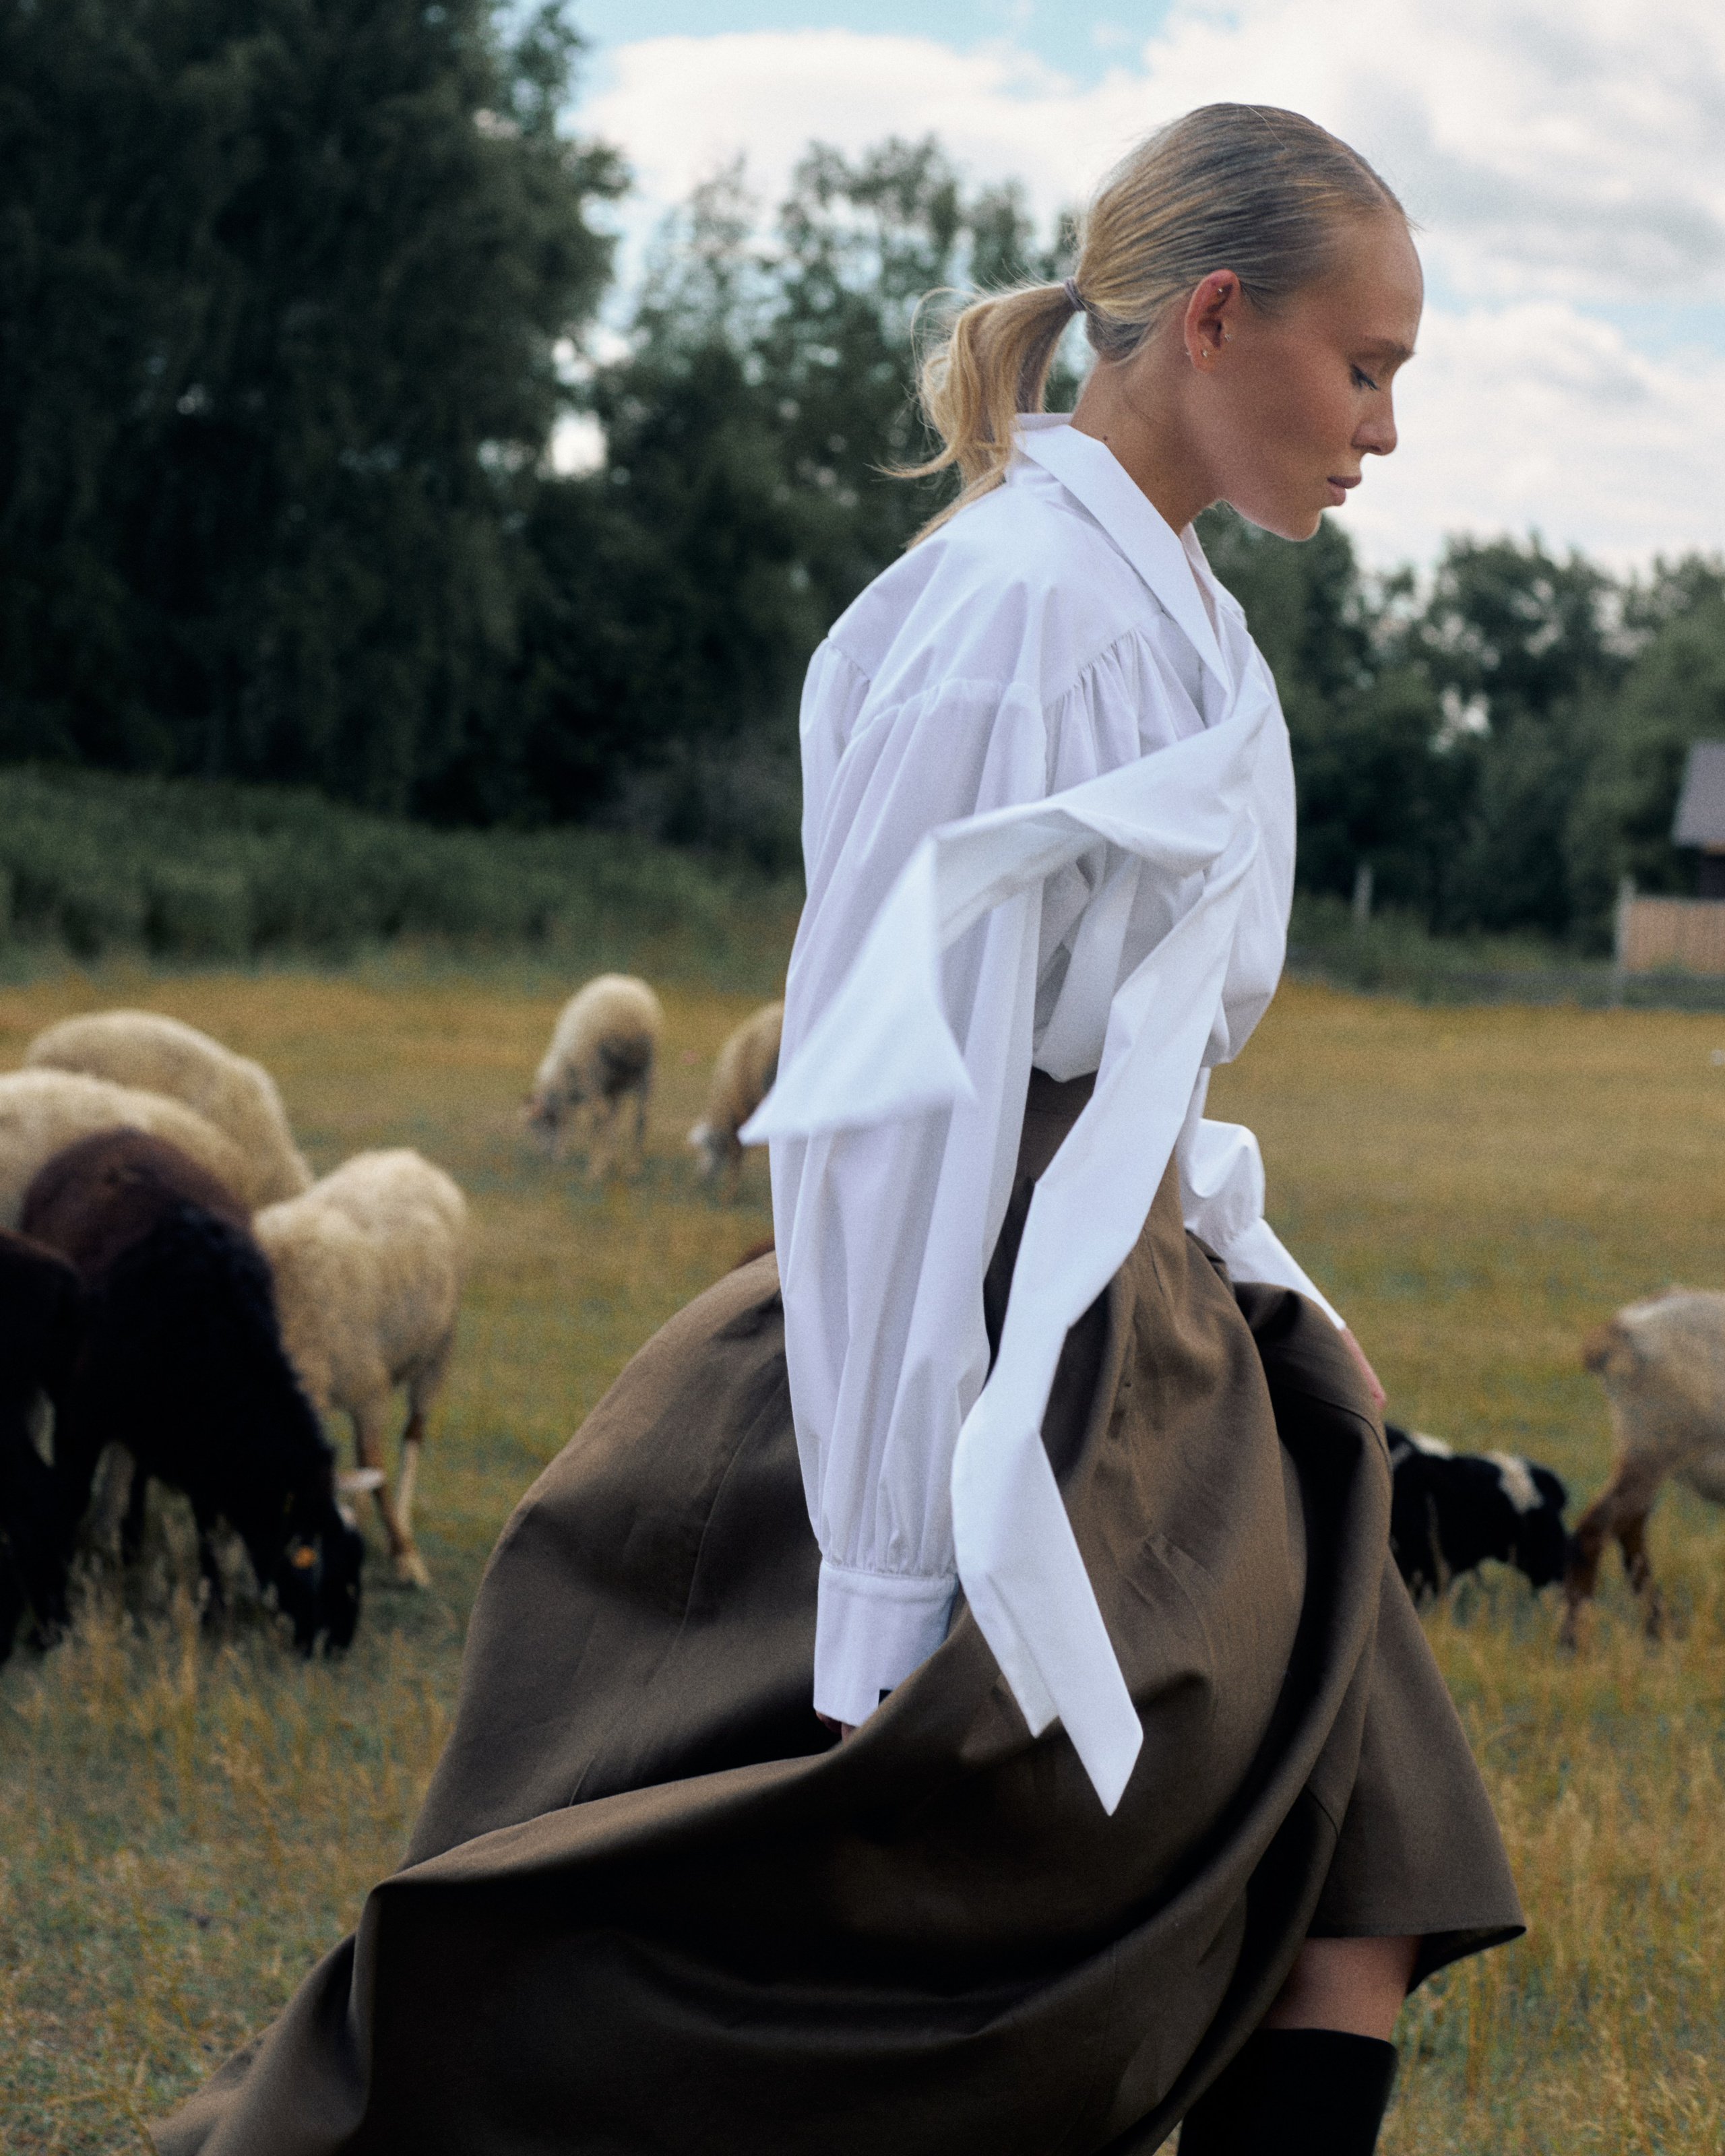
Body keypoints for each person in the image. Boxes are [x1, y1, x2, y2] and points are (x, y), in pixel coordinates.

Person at [159, 103, 1522, 2156]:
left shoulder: (1184, 622)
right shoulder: (1009, 617)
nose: (1386, 430)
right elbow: (891, 1109)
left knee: (1363, 1877)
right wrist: (881, 1584)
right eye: (1370, 367)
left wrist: (1272, 1285)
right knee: (906, 1965)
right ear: (1222, 319)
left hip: (1148, 1333)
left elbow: (1142, 1075)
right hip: (959, 1363)